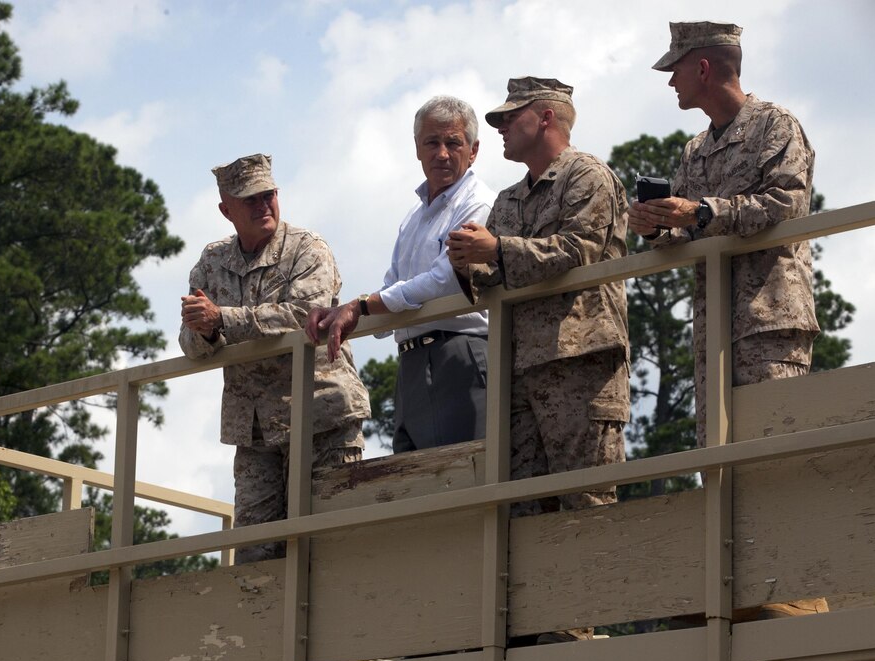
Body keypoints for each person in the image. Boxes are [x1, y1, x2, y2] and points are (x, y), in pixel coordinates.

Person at [629, 22, 826, 621]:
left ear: (705, 68)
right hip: (715, 328)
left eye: (677, 68)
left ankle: (796, 591)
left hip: (769, 316)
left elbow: (787, 202)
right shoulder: (695, 151)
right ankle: (738, 590)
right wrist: (656, 225)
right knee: (719, 454)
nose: (671, 81)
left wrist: (704, 210)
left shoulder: (775, 127)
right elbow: (683, 228)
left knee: (773, 452)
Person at [446, 77, 630, 629]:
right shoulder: (508, 200)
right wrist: (467, 263)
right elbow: (491, 276)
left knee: (585, 501)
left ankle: (584, 632)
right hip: (521, 368)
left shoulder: (587, 176)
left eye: (510, 118)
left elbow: (578, 250)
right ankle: (539, 633)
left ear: (546, 117)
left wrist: (495, 250)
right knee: (526, 511)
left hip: (581, 363)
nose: (500, 128)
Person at [179, 153, 370, 564]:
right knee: (255, 555)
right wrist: (208, 330)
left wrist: (223, 319)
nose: (263, 204)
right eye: (250, 199)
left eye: (269, 195)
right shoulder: (212, 263)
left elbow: (308, 314)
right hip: (255, 431)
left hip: (322, 416)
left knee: (329, 547)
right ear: (225, 210)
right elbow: (190, 343)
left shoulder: (308, 248)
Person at [305, 96, 496, 453]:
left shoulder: (478, 203)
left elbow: (443, 281)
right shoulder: (413, 218)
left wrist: (362, 307)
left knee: (456, 482)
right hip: (410, 362)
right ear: (417, 149)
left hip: (457, 355)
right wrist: (344, 313)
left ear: (473, 151)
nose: (442, 153)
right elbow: (393, 287)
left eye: (453, 143)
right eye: (432, 142)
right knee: (415, 490)